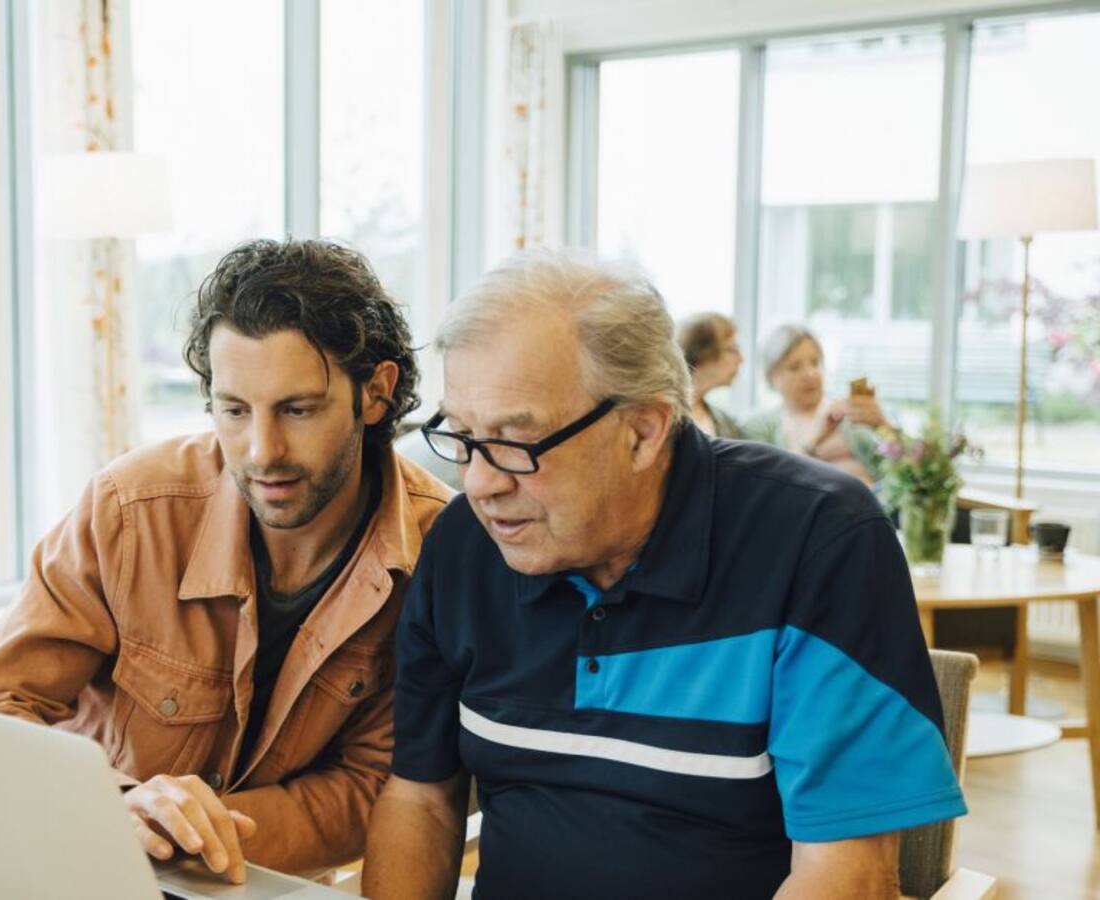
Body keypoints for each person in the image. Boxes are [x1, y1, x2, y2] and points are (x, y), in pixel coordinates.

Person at [361, 252, 965, 899]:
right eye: (464, 437)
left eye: (516, 441)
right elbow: (421, 797)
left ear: (644, 430)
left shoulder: (817, 541)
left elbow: (846, 874)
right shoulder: (465, 545)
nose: (479, 483)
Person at [0, 239, 452, 882]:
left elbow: (374, 790)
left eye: (298, 410)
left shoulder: (438, 551)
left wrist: (197, 828)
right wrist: (122, 809)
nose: (262, 451)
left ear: (375, 393)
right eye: (234, 410)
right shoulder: (130, 508)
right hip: (91, 868)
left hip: (262, 884)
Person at [742, 324, 891, 486]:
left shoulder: (850, 415)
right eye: (795, 367)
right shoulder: (759, 426)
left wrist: (883, 425)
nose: (810, 374)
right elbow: (771, 488)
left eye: (815, 362)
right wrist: (817, 440)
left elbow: (903, 471)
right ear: (771, 376)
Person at [677, 311, 744, 437]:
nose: (741, 359)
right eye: (731, 349)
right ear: (701, 352)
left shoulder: (725, 422)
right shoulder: (661, 415)